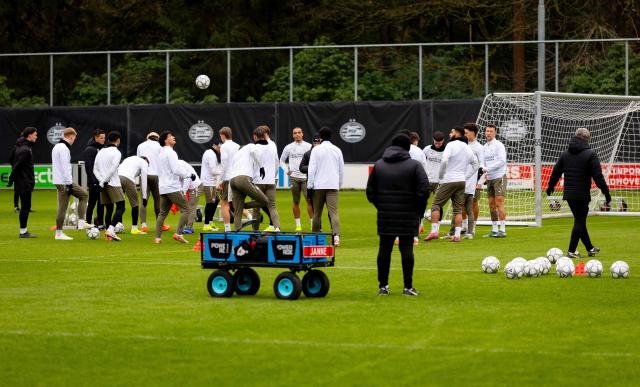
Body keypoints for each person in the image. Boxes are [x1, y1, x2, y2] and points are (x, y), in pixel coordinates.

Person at [366, 133, 429, 296]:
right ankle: (408, 287)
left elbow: (370, 192)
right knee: (407, 249)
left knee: (384, 249)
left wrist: (381, 206)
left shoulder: (379, 165)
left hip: (385, 215)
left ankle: (383, 287)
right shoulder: (414, 166)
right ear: (408, 147)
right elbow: (424, 190)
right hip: (408, 214)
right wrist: (417, 210)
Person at [546, 127, 610, 258]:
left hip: (569, 194)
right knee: (580, 221)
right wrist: (606, 192)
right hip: (582, 194)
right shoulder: (590, 154)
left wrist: (550, 186)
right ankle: (571, 251)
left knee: (580, 221)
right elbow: (598, 177)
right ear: (587, 139)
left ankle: (590, 248)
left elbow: (556, 172)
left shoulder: (565, 153)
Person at [423, 127, 478, 242]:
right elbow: (475, 165)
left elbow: (444, 160)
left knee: (435, 205)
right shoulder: (467, 147)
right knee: (457, 209)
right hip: (461, 181)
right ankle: (457, 235)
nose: (450, 134)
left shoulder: (451, 145)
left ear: (457, 134)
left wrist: (441, 176)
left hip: (448, 180)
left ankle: (434, 232)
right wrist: (466, 176)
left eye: (452, 132)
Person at [307, 126, 344, 246]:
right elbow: (341, 170)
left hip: (319, 185)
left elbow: (311, 169)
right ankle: (336, 237)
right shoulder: (337, 150)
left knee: (317, 213)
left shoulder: (316, 150)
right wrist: (338, 184)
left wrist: (309, 185)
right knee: (334, 212)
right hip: (332, 185)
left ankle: (315, 238)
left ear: (320, 137)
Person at [52, 127, 90, 240]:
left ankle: (78, 223)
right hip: (64, 181)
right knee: (83, 195)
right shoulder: (64, 148)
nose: (74, 141)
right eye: (74, 138)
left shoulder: (56, 147)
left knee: (63, 206)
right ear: (71, 136)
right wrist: (69, 183)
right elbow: (65, 167)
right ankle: (79, 223)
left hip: (59, 181)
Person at [155, 131, 193, 244]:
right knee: (186, 210)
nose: (174, 137)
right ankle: (178, 233)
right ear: (166, 140)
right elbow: (176, 169)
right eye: (171, 136)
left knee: (162, 213)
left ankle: (157, 238)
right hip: (172, 187)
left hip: (163, 187)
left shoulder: (161, 154)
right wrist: (189, 174)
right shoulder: (171, 153)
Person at [229, 127, 268, 231]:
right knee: (265, 200)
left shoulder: (236, 155)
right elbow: (255, 153)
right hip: (243, 179)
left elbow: (230, 171)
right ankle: (244, 206)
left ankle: (237, 234)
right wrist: (262, 167)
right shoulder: (250, 146)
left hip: (232, 180)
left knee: (238, 212)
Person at [94, 131, 125, 242]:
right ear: (117, 140)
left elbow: (95, 169)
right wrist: (104, 181)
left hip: (103, 183)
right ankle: (111, 229)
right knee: (121, 207)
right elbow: (113, 169)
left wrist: (101, 181)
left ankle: (108, 234)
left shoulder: (101, 151)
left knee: (109, 209)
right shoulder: (116, 152)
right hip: (113, 183)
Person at [280, 127, 313, 231]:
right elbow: (281, 160)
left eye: (299, 132)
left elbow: (314, 160)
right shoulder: (288, 147)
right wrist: (286, 170)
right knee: (295, 202)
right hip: (294, 178)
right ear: (293, 135)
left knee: (310, 201)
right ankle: (298, 225)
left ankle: (313, 225)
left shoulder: (308, 146)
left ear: (302, 134)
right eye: (295, 133)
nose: (297, 134)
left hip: (305, 177)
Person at [8, 127, 38, 238]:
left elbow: (10, 159)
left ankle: (23, 231)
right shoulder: (25, 149)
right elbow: (17, 165)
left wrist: (15, 177)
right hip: (24, 182)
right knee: (26, 207)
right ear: (29, 135)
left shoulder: (18, 146)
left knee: (26, 206)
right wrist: (13, 178)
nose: (36, 136)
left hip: (22, 181)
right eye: (35, 134)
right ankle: (23, 232)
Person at [252, 125, 280, 232]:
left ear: (256, 136)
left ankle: (255, 231)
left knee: (256, 207)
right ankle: (277, 228)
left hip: (257, 181)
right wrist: (273, 175)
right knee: (272, 206)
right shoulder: (272, 145)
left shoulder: (254, 147)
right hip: (270, 180)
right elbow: (276, 163)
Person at [482, 124, 508, 238]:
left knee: (499, 203)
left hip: (499, 176)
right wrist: (483, 169)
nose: (488, 133)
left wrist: (489, 168)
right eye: (487, 131)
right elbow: (483, 163)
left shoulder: (499, 145)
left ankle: (502, 230)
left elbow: (502, 161)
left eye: (491, 131)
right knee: (491, 205)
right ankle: (494, 230)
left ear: (495, 133)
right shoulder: (484, 147)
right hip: (490, 178)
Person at [137, 131, 163, 233]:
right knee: (158, 199)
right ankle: (160, 224)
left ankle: (143, 225)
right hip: (156, 175)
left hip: (144, 174)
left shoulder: (140, 146)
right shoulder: (160, 147)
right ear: (157, 138)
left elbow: (138, 161)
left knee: (143, 200)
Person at [118, 155, 149, 234]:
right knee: (135, 204)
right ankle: (134, 228)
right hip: (128, 179)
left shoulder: (129, 158)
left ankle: (118, 226)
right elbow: (144, 179)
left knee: (120, 204)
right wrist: (144, 197)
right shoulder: (144, 162)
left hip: (117, 177)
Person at [218, 126, 241, 232]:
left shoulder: (224, 146)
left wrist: (219, 180)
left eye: (220, 136)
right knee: (237, 203)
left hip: (227, 177)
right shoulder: (237, 146)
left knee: (224, 203)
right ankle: (238, 227)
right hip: (238, 176)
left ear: (223, 135)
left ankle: (227, 229)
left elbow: (224, 164)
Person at [83, 129, 106, 229]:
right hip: (94, 182)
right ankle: (87, 223)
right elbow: (88, 167)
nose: (103, 140)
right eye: (101, 138)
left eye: (104, 138)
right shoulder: (89, 150)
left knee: (101, 203)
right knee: (92, 203)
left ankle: (100, 224)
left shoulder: (103, 149)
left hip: (102, 181)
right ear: (96, 138)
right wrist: (93, 181)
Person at [423, 131, 446, 219]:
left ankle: (437, 225)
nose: (437, 144)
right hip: (427, 181)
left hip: (439, 182)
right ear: (433, 140)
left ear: (443, 141)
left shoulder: (446, 151)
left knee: (438, 204)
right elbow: (421, 162)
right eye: (436, 143)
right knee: (422, 201)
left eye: (439, 143)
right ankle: (420, 221)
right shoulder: (427, 149)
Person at [201, 142, 222, 231]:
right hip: (208, 182)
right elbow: (213, 171)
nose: (220, 150)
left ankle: (210, 222)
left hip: (210, 182)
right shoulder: (211, 154)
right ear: (214, 145)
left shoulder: (211, 153)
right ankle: (206, 225)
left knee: (216, 200)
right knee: (210, 203)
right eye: (219, 147)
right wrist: (224, 172)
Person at [178, 160, 202, 234]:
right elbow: (178, 180)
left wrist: (183, 191)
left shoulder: (179, 165)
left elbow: (188, 178)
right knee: (186, 208)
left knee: (191, 207)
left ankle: (189, 228)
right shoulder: (174, 165)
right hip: (188, 188)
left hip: (196, 186)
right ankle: (186, 227)